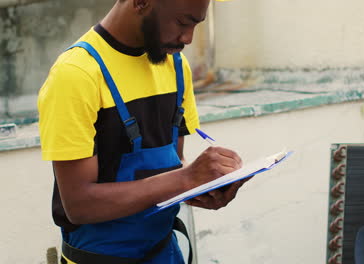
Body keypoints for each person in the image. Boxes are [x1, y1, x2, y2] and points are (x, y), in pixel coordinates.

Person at [37, 0, 246, 263]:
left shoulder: (176, 66)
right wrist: (185, 179)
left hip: (165, 252)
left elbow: (173, 167)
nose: (188, 38)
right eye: (183, 22)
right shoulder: (76, 75)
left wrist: (202, 187)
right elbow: (79, 205)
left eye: (196, 24)